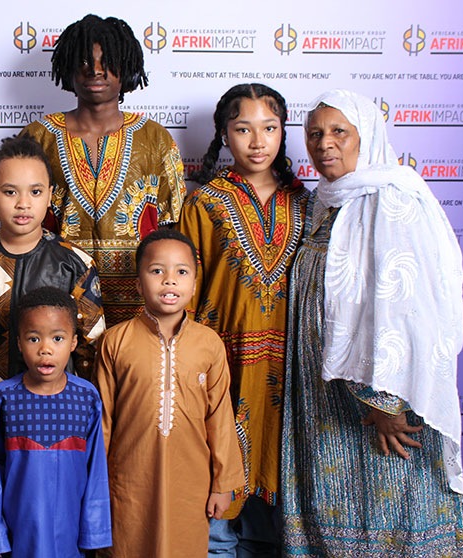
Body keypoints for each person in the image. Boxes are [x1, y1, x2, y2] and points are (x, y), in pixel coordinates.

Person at [281, 89, 463, 557]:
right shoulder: (324, 203)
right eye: (314, 134)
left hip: (383, 402)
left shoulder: (393, 200)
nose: (324, 143)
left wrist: (388, 403)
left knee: (395, 511)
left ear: (366, 136)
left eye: (339, 132)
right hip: (325, 398)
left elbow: (409, 307)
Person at [176, 83, 308, 556]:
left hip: (290, 367)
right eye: (243, 129)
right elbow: (186, 289)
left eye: (269, 128)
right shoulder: (205, 203)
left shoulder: (307, 203)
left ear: (283, 132)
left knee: (283, 481)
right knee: (217, 467)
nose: (257, 141)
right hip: (224, 359)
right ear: (223, 135)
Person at [0, 135, 105, 487]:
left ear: (50, 196)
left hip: (57, 420)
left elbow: (92, 350)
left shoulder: (75, 264)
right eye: (10, 192)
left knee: (47, 503)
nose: (23, 203)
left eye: (35, 192)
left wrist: (91, 415)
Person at [22, 14, 186, 328]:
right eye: (84, 60)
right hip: (58, 296)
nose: (95, 70)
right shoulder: (38, 137)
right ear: (68, 66)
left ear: (126, 66)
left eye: (107, 61)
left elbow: (175, 227)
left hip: (141, 302)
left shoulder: (156, 139)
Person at [94, 229, 244, 557]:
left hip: (190, 481)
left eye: (182, 271)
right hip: (128, 481)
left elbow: (220, 418)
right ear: (138, 284)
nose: (170, 280)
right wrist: (95, 487)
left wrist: (222, 484)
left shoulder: (209, 344)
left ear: (194, 284)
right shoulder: (115, 342)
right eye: (157, 271)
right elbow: (102, 421)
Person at [0, 287, 112, 558]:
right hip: (18, 537)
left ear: (73, 342)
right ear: (19, 343)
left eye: (57, 338)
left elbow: (96, 472)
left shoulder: (87, 398)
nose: (46, 349)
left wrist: (94, 534)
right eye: (34, 338)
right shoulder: (1, 400)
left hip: (71, 537)